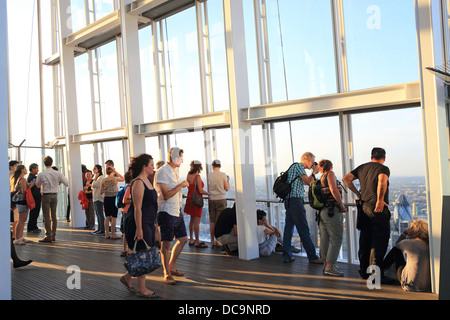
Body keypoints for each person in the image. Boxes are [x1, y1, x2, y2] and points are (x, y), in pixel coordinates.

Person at [343, 147, 391, 279]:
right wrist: (380, 200)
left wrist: (358, 194)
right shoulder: (383, 168)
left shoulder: (362, 167)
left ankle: (364, 271)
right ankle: (375, 275)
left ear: (371, 156)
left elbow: (346, 179)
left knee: (365, 239)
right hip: (377, 209)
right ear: (384, 158)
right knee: (379, 241)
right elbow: (382, 182)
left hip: (364, 208)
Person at [121, 154, 159, 298]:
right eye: (151, 165)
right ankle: (142, 288)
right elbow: (137, 208)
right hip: (139, 222)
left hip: (148, 221)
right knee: (142, 253)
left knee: (144, 253)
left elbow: (150, 205)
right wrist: (139, 229)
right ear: (144, 166)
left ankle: (127, 277)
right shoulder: (138, 182)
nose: (153, 167)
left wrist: (154, 223)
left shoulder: (148, 181)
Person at [154, 147, 189, 285]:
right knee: (166, 244)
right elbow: (166, 195)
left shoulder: (175, 170)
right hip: (166, 212)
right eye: (180, 157)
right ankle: (166, 273)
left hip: (176, 211)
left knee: (184, 239)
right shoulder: (163, 172)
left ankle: (171, 266)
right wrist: (181, 185)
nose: (182, 160)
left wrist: (180, 208)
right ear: (175, 158)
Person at [282, 152, 322, 264]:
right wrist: (314, 172)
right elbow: (309, 182)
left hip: (289, 201)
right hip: (296, 202)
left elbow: (308, 183)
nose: (313, 164)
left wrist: (313, 173)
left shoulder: (295, 168)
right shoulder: (299, 166)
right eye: (313, 162)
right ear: (307, 160)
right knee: (304, 229)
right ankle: (313, 257)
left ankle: (287, 256)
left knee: (288, 229)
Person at [316, 159, 347, 277]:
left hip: (323, 211)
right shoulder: (330, 174)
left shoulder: (321, 177)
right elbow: (334, 190)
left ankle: (326, 265)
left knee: (325, 238)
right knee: (336, 238)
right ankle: (330, 267)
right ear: (331, 166)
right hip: (332, 211)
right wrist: (341, 205)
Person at [381, 219, 431, 292]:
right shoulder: (429, 244)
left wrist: (404, 234)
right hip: (427, 286)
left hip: (409, 285)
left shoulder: (409, 243)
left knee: (395, 251)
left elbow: (397, 245)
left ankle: (380, 271)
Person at [35, 156, 70, 243]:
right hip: (55, 195)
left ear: (44, 163)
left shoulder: (41, 174)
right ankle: (53, 235)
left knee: (46, 216)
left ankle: (48, 236)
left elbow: (37, 185)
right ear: (52, 163)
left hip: (46, 195)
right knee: (53, 216)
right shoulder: (58, 173)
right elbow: (67, 184)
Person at [184, 160, 209, 248]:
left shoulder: (188, 175)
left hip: (189, 199)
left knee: (191, 220)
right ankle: (197, 240)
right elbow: (200, 190)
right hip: (196, 201)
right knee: (197, 221)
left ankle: (191, 239)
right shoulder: (197, 176)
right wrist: (209, 194)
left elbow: (189, 187)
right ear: (199, 167)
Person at [207, 159, 230, 248]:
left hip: (212, 199)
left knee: (212, 221)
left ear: (212, 166)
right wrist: (227, 180)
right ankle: (219, 241)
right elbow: (227, 188)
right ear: (220, 166)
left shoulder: (210, 175)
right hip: (221, 199)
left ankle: (213, 241)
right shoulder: (223, 175)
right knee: (220, 221)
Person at [11, 165, 33, 245]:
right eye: (25, 168)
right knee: (21, 220)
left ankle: (20, 237)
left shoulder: (18, 179)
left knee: (22, 220)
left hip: (19, 202)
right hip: (22, 201)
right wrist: (30, 186)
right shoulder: (23, 179)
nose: (26, 170)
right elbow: (24, 191)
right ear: (21, 170)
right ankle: (17, 238)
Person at [100, 166, 124, 240]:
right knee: (113, 217)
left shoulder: (103, 180)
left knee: (107, 217)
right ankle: (113, 234)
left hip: (106, 199)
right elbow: (123, 178)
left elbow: (101, 192)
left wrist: (107, 189)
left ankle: (107, 234)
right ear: (112, 171)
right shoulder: (114, 179)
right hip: (114, 198)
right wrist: (115, 171)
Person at [120, 171, 132, 257]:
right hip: (127, 211)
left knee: (125, 231)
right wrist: (135, 200)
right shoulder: (129, 187)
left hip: (125, 211)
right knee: (127, 232)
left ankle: (125, 249)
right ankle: (127, 250)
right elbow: (125, 200)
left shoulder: (126, 186)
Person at [27, 163, 41, 234]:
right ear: (32, 169)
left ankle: (34, 226)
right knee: (34, 212)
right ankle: (31, 227)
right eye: (36, 168)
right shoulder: (32, 178)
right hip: (34, 198)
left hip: (36, 197)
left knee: (35, 212)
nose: (38, 170)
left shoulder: (33, 177)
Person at [92, 165, 105, 235]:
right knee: (97, 213)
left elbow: (94, 185)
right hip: (95, 198)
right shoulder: (96, 177)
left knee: (100, 214)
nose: (93, 170)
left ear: (99, 169)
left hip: (99, 198)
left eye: (95, 168)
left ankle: (102, 229)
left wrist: (95, 179)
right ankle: (99, 228)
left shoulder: (100, 177)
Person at [9, 160, 20, 239]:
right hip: (13, 197)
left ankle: (14, 234)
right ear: (11, 167)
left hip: (9, 197)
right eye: (16, 166)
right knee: (16, 217)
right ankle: (15, 235)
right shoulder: (13, 175)